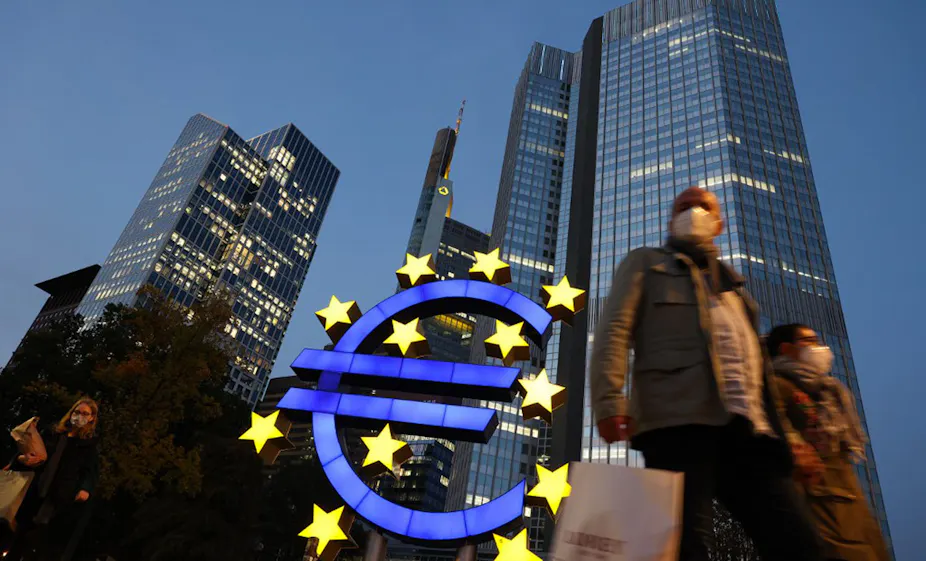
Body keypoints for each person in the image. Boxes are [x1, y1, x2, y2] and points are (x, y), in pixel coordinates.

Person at [589, 186, 822, 561]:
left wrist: (790, 438)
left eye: (703, 206)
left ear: (719, 224)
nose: (693, 211)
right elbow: (613, 330)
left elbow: (760, 377)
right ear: (670, 220)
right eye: (684, 206)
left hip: (751, 431)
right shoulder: (646, 263)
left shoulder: (737, 290)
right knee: (688, 547)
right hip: (677, 423)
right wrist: (609, 401)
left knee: (798, 542)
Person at [766, 324, 890, 561]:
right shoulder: (778, 385)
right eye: (809, 341)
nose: (819, 348)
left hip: (850, 501)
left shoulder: (828, 391)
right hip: (818, 503)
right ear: (786, 349)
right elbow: (777, 429)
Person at [6, 398, 100, 561]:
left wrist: (85, 488)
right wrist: (18, 460)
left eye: (85, 414)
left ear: (92, 418)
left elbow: (90, 472)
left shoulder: (88, 446)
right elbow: (31, 451)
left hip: (58, 495)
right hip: (36, 488)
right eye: (77, 412)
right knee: (19, 529)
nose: (79, 416)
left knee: (36, 535)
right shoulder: (54, 434)